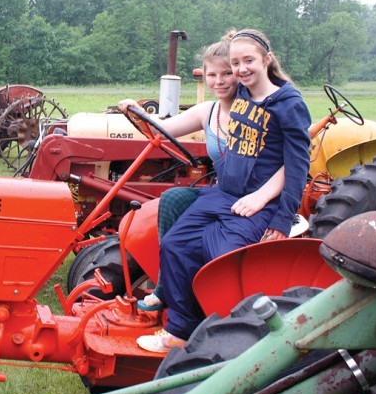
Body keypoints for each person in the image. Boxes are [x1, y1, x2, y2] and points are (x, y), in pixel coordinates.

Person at [133, 28, 311, 353]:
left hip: (256, 202)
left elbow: (298, 162)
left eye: (249, 61)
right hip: (223, 194)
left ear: (267, 60)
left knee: (221, 260)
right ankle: (180, 329)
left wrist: (280, 215)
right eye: (236, 63)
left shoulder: (288, 103)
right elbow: (225, 63)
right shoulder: (241, 93)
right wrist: (140, 115)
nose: (241, 69)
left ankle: (228, 338)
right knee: (175, 243)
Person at [121, 33, 286, 313]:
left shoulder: (257, 109)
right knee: (173, 199)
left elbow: (291, 159)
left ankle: (210, 299)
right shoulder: (206, 112)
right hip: (224, 192)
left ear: (238, 73)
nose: (219, 81)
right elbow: (161, 130)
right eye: (212, 74)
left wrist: (261, 196)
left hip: (260, 195)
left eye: (226, 73)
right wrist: (134, 112)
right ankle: (165, 287)